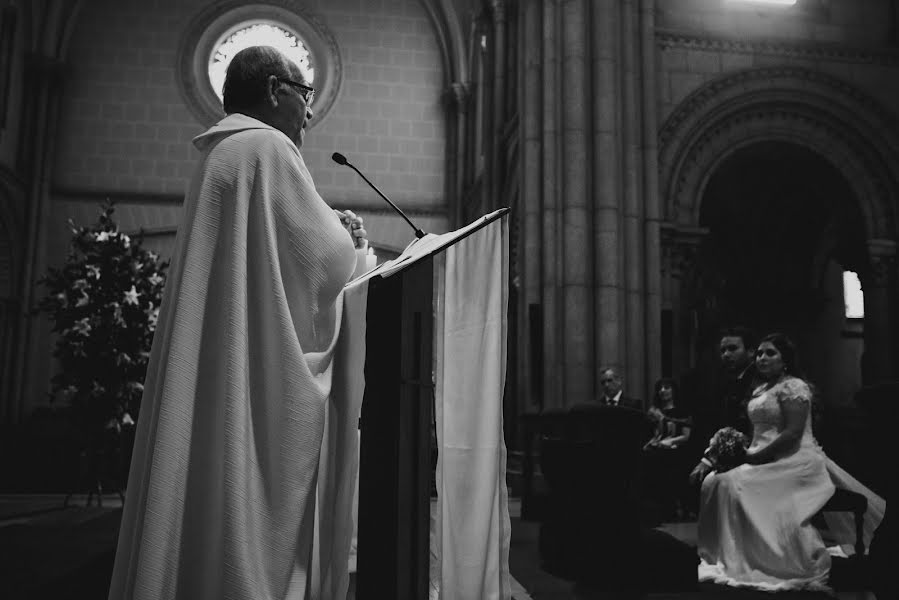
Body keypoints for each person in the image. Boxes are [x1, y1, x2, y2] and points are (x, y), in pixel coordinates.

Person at [108, 46, 368, 599]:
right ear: (275, 90)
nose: (310, 114)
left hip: (220, 372)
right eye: (305, 96)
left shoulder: (223, 152)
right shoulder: (267, 147)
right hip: (255, 390)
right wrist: (353, 240)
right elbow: (322, 258)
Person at [696, 333, 885, 592]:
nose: (762, 358)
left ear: (785, 359)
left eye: (770, 353)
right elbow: (757, 432)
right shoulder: (761, 388)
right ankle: (731, 555)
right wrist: (736, 451)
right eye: (760, 353)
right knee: (714, 481)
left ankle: (772, 558)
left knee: (734, 484)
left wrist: (755, 457)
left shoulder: (794, 387)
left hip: (795, 459)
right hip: (762, 456)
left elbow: (792, 433)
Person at [688, 326, 757, 486]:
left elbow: (740, 424)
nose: (726, 354)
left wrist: (710, 459)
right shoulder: (725, 380)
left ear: (751, 352)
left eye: (733, 349)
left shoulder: (756, 380)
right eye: (723, 350)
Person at [642, 378, 693, 521]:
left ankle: (677, 509)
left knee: (670, 462)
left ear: (673, 390)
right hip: (658, 449)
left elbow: (685, 436)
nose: (663, 391)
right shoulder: (654, 412)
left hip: (676, 450)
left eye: (667, 387)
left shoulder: (682, 410)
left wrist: (668, 441)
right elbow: (652, 434)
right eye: (660, 388)